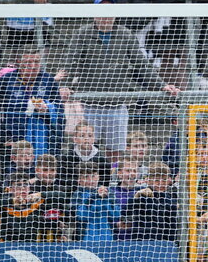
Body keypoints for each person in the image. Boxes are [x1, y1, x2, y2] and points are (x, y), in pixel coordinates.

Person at [60, 11, 179, 159]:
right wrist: (64, 85)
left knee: (115, 151)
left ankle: (113, 179)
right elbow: (71, 61)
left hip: (117, 105)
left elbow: (141, 64)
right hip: (89, 104)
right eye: (102, 11)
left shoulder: (125, 34)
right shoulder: (82, 33)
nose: (106, 15)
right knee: (86, 149)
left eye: (110, 12)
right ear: (95, 14)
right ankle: (88, 179)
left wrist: (161, 85)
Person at [0, 47, 64, 156]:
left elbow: (60, 110)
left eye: (36, 62)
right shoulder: (5, 80)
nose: (33, 66)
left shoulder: (48, 80)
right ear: (19, 62)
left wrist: (47, 110)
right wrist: (4, 137)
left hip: (44, 138)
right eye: (28, 62)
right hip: (14, 139)